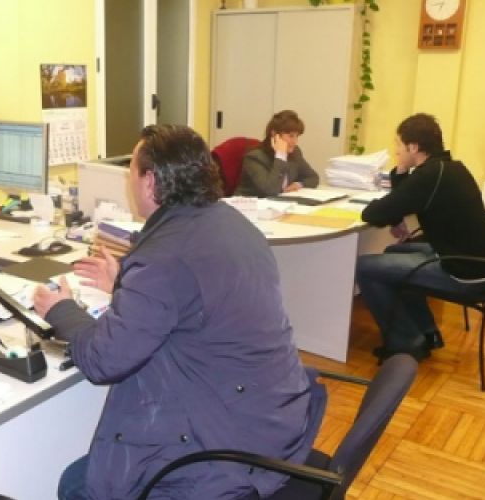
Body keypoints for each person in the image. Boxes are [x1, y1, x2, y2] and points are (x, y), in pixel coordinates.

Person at [34, 124, 324, 500]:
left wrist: (62, 310)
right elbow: (192, 298)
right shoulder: (229, 222)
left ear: (151, 182)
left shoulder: (164, 257)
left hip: (226, 447)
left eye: (132, 172)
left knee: (76, 484)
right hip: (271, 414)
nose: (130, 182)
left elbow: (104, 361)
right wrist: (124, 283)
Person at [356, 113, 485, 361]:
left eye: (399, 145)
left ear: (413, 147)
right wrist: (401, 169)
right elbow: (404, 200)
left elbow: (375, 213)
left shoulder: (429, 176)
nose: (396, 150)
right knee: (392, 254)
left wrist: (398, 184)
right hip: (477, 263)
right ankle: (427, 332)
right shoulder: (449, 168)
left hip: (462, 272)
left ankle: (406, 342)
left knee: (364, 267)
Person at [234, 110, 319, 197]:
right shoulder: (254, 158)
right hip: (248, 206)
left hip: (279, 204)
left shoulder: (295, 153)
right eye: (291, 136)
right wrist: (280, 156)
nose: (295, 141)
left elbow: (313, 178)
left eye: (297, 136)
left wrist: (299, 184)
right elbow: (271, 191)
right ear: (275, 134)